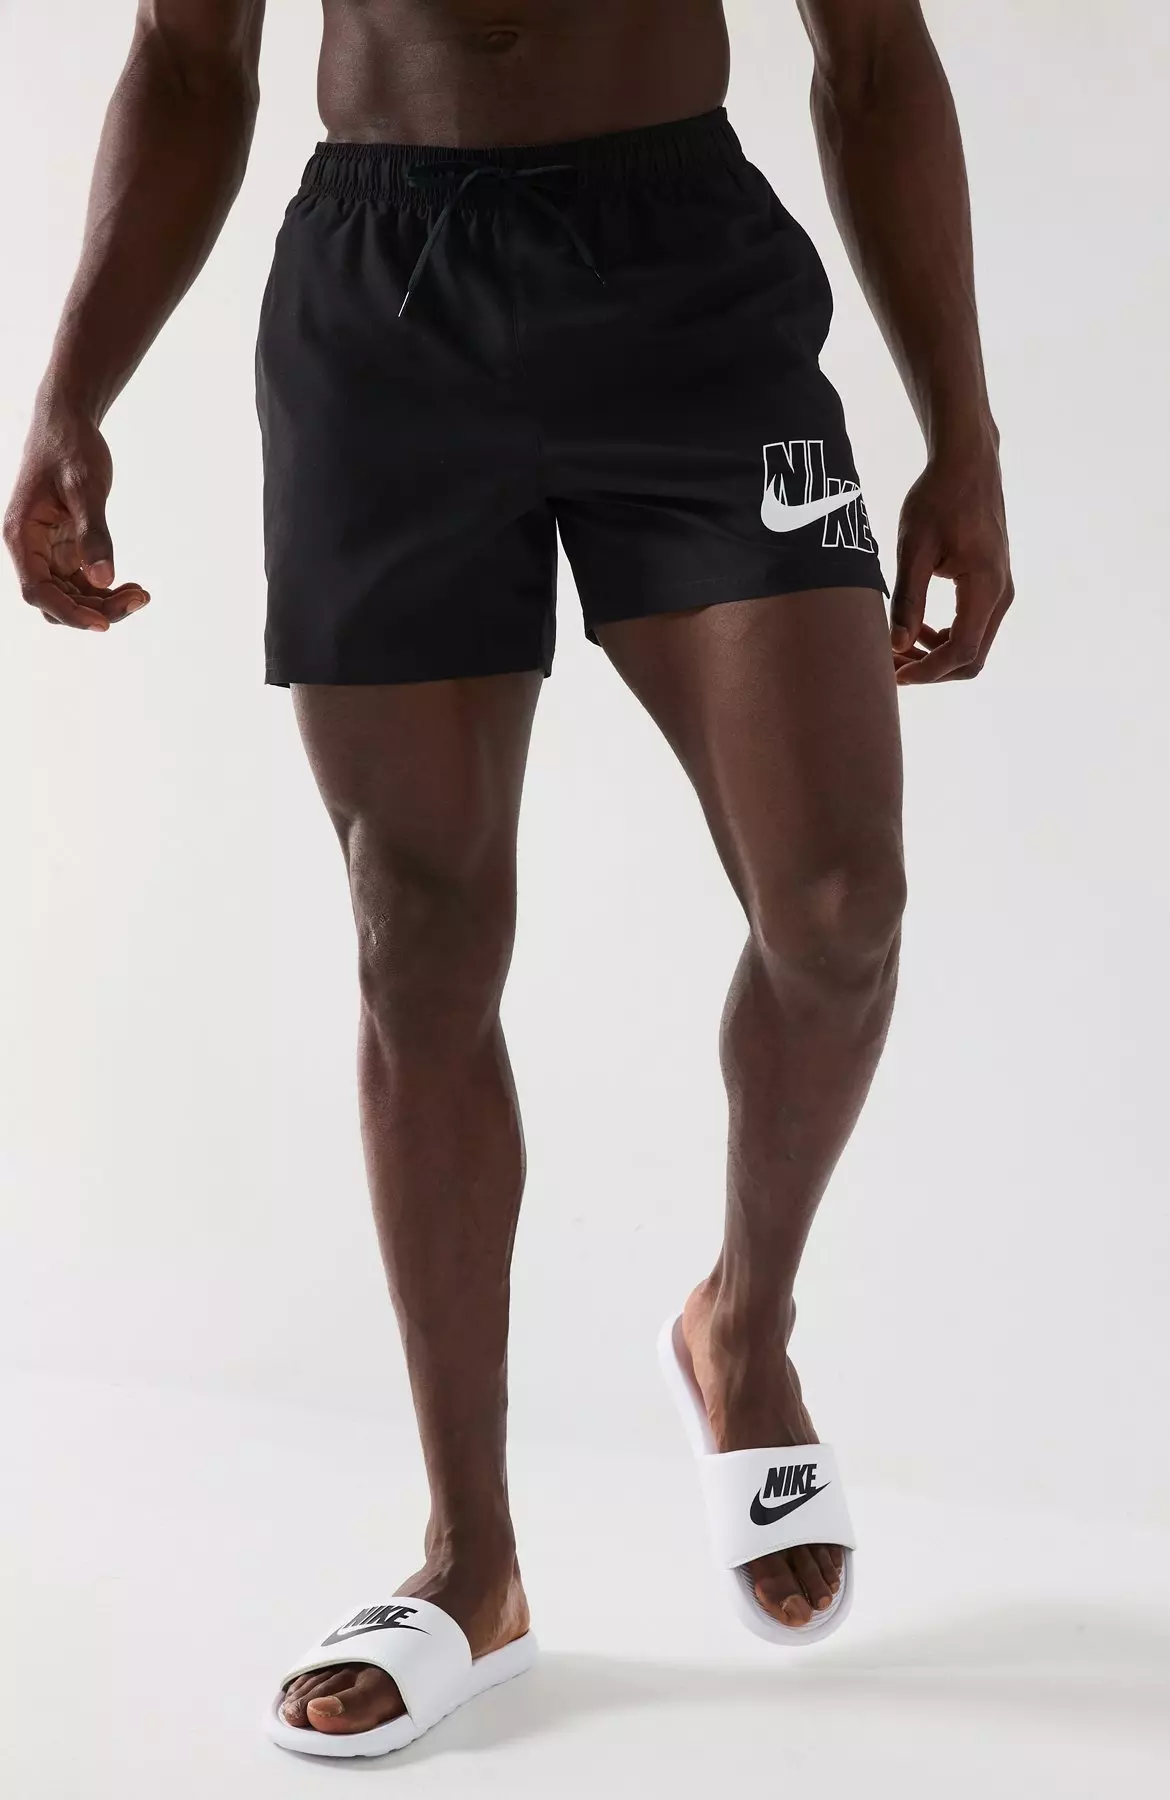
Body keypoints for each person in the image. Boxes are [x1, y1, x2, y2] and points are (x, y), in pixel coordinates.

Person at [4, 0, 1013, 1755]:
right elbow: (186, 61)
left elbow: (869, 56)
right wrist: (74, 389)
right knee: (419, 936)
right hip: (380, 308)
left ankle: (743, 1325)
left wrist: (964, 431)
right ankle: (471, 1556)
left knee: (837, 908)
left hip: (686, 285)